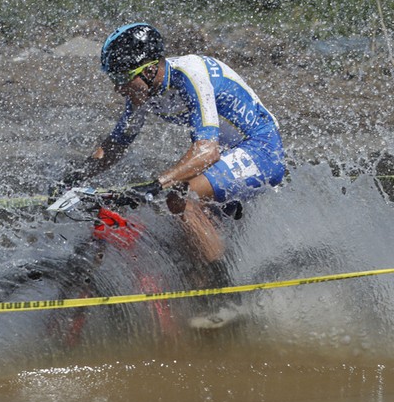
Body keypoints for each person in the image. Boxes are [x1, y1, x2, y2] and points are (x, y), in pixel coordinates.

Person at [65, 22, 286, 268]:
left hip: (262, 150)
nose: (118, 89)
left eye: (122, 78)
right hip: (228, 153)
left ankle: (221, 280)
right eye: (113, 79)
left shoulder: (191, 75)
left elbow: (207, 151)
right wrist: (75, 177)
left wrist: (156, 183)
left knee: (180, 197)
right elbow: (116, 144)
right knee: (181, 224)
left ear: (149, 70)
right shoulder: (143, 92)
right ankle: (199, 275)